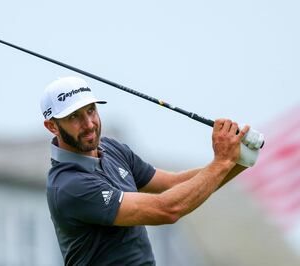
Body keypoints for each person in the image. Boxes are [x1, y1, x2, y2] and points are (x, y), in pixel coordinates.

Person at [40, 76, 259, 265]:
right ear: (52, 126)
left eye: (91, 110)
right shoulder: (69, 186)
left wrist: (238, 159)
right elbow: (166, 209)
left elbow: (175, 183)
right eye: (74, 117)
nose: (89, 124)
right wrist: (221, 163)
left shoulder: (112, 149)